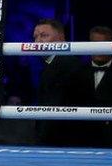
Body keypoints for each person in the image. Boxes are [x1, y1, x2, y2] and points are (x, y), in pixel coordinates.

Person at [68, 25, 112, 148]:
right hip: (81, 137)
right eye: (95, 44)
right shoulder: (76, 73)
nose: (99, 49)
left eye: (104, 44)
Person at [32, 18, 82, 147]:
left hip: (63, 141)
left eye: (44, 36)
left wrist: (42, 140)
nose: (38, 41)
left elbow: (56, 105)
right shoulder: (51, 64)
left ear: (61, 38)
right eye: (36, 37)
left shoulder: (66, 63)